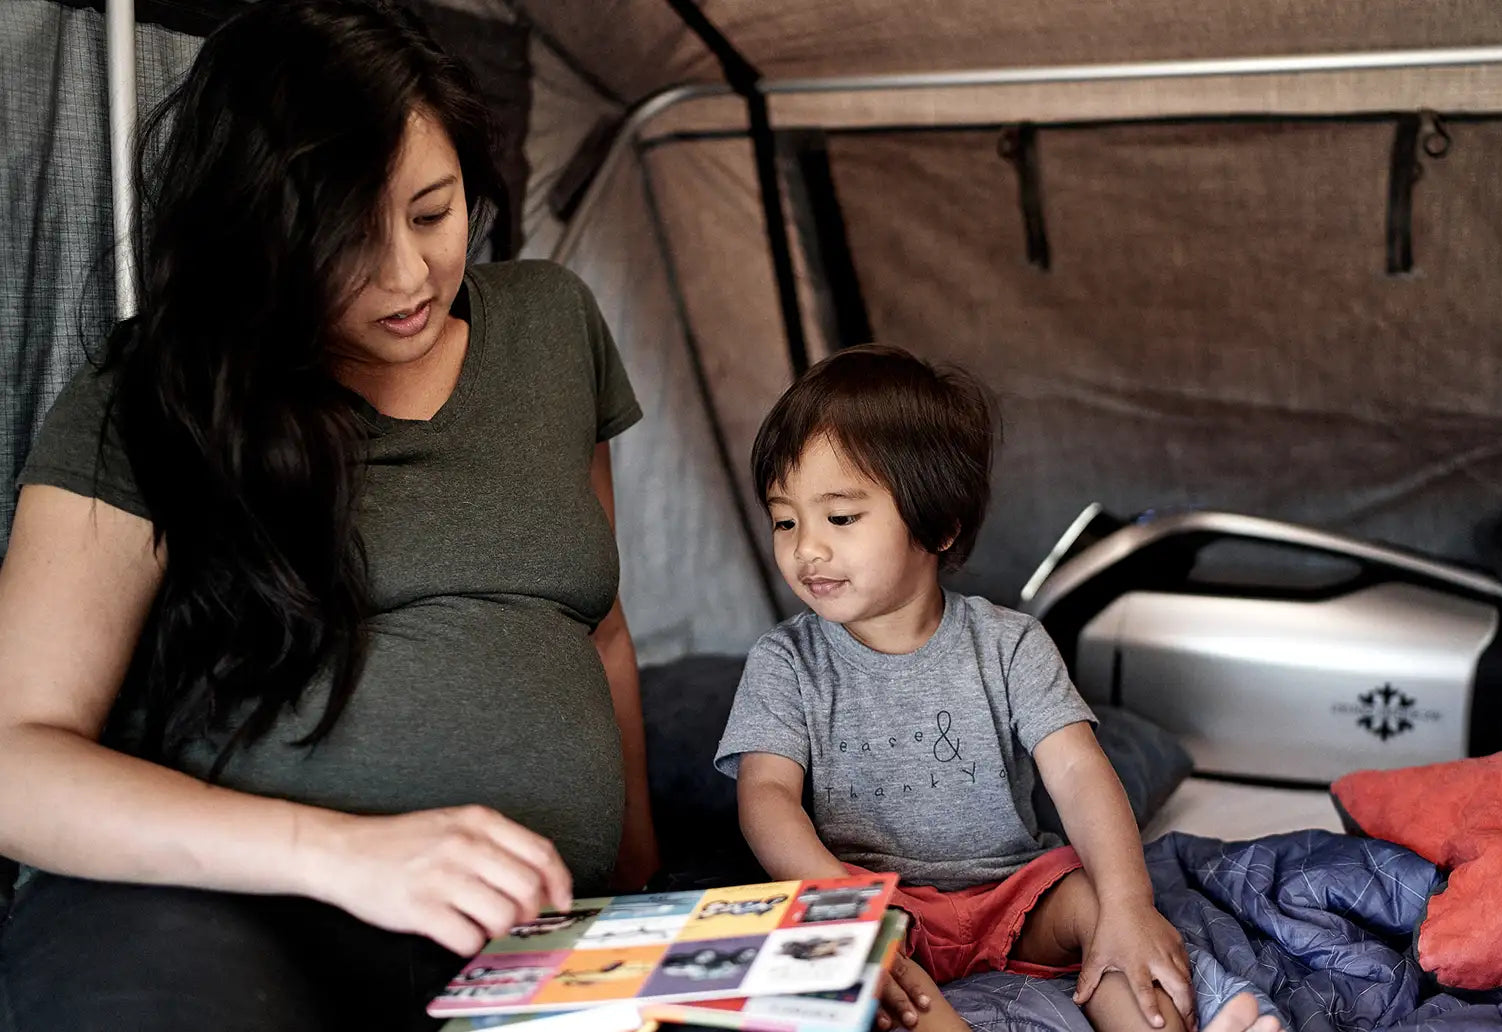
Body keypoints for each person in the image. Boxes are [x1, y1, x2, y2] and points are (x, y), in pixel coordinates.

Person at [0, 2, 656, 1028]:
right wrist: (343, 854)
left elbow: (599, 631)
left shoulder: (552, 324)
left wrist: (646, 903)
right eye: (346, 238)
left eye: (433, 213)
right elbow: (14, 763)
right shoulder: (153, 394)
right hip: (221, 911)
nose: (406, 276)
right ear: (256, 232)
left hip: (519, 935)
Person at [714, 346, 1282, 1032]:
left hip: (1012, 892)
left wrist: (1129, 901)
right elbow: (765, 796)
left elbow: (1076, 770)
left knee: (1095, 905)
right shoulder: (786, 660)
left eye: (839, 518)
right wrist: (843, 903)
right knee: (879, 985)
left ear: (940, 524)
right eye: (785, 520)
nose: (806, 549)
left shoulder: (1009, 643)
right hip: (876, 905)